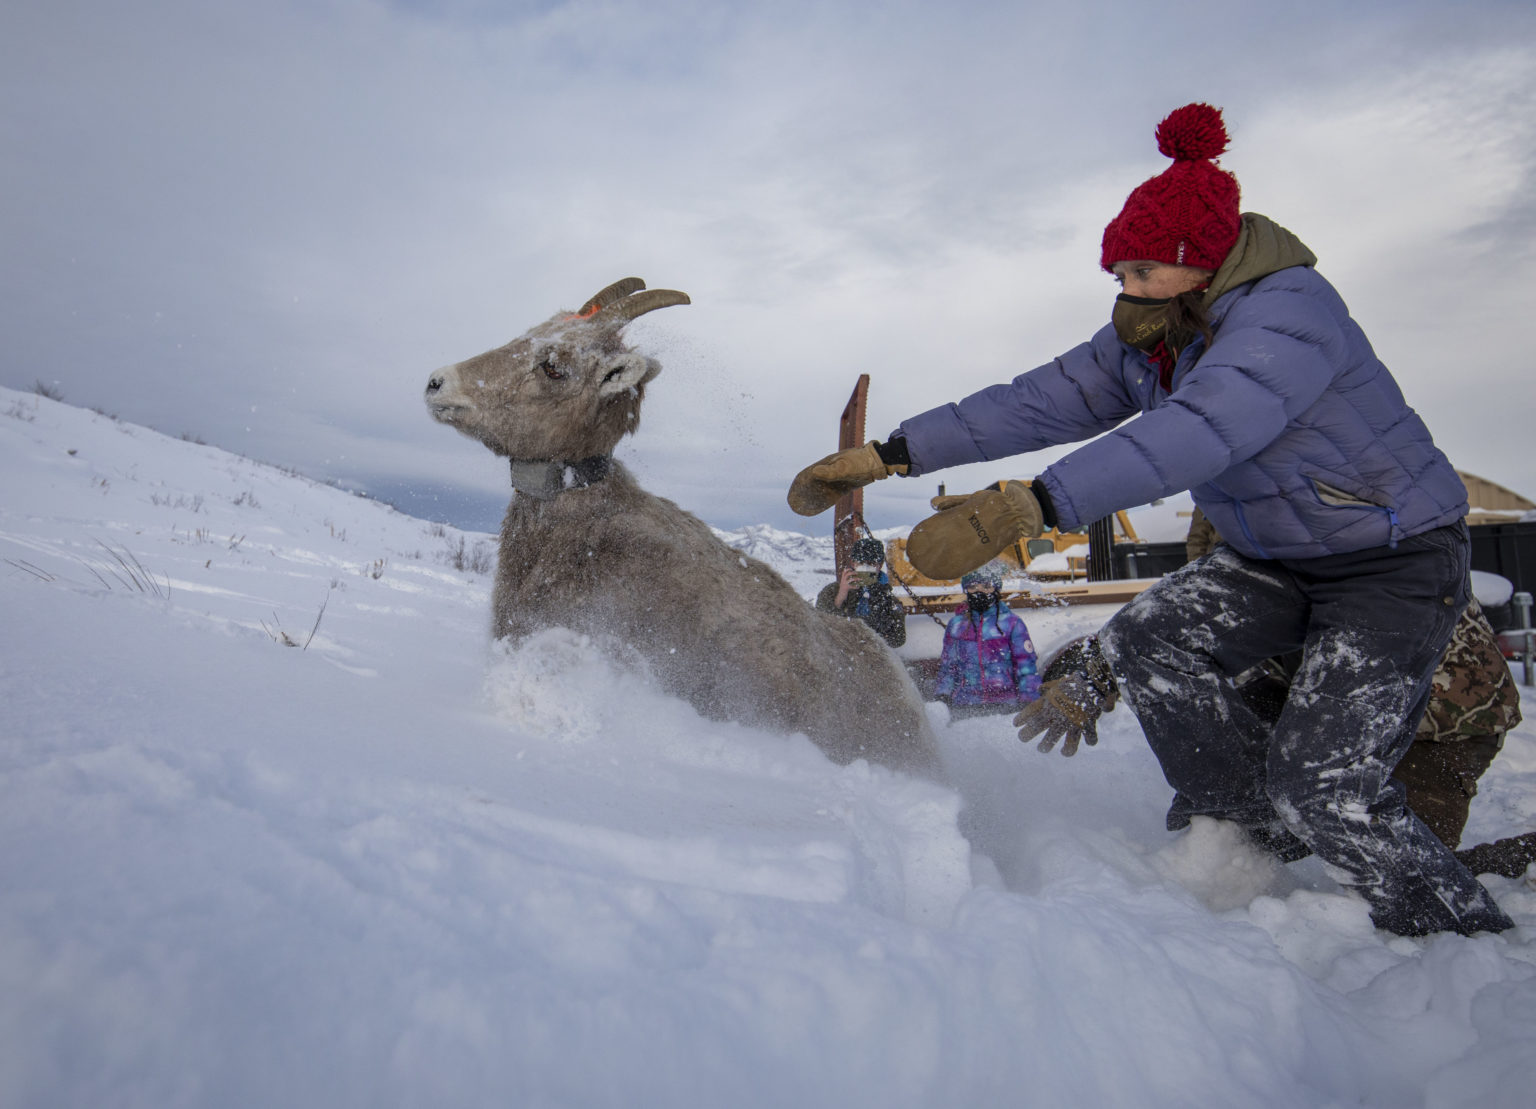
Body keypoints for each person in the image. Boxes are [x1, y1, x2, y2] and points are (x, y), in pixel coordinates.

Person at [788, 102, 1514, 936]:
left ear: (1197, 265)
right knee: (1151, 638)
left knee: (1325, 783)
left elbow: (1198, 431)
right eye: (1119, 274)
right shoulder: (1159, 334)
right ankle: (1245, 825)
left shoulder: (1289, 315)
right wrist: (892, 453)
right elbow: (1037, 400)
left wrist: (1035, 503)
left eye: (1140, 272)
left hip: (1389, 557)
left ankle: (1459, 935)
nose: (1125, 291)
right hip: (1277, 557)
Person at [932, 561, 1042, 718]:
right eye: (973, 586)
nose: (979, 591)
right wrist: (943, 695)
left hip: (1005, 706)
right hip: (965, 705)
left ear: (996, 588)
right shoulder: (957, 625)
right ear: (966, 590)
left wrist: (1030, 700)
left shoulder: (1011, 623)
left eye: (986, 586)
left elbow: (1026, 667)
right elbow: (949, 667)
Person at [815, 536, 907, 648]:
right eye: (861, 563)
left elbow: (898, 639)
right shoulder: (832, 591)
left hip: (871, 654)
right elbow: (820, 624)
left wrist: (878, 602)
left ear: (880, 565)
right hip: (839, 653)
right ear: (853, 563)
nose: (866, 567)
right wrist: (841, 594)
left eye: (871, 564)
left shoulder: (889, 598)